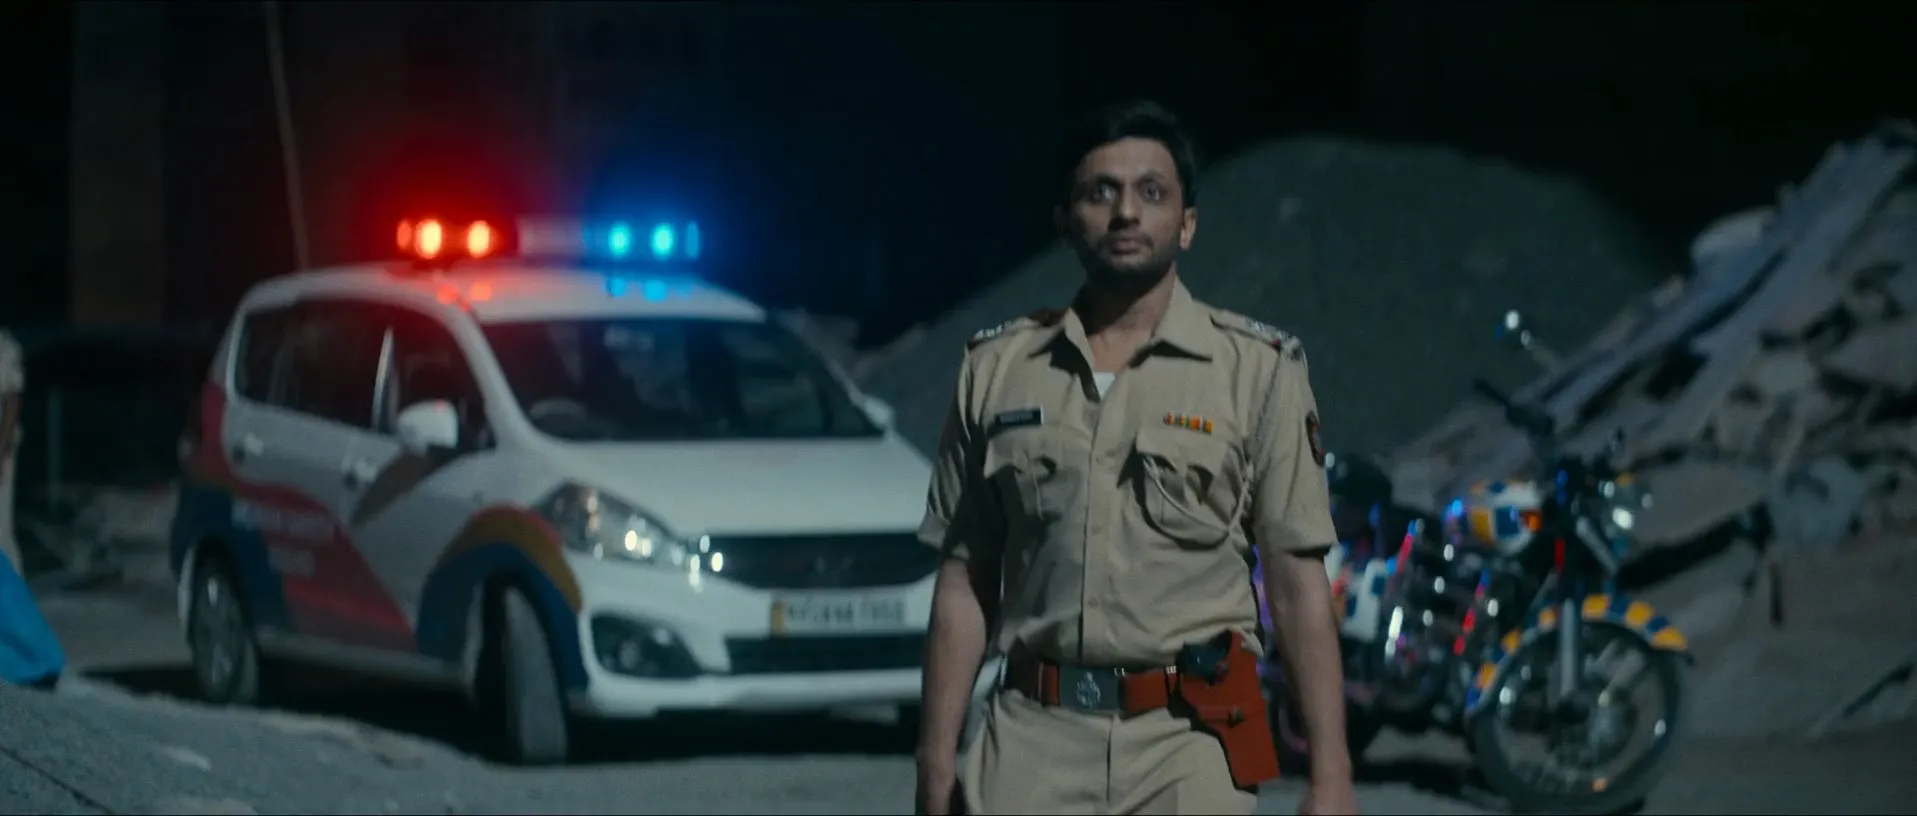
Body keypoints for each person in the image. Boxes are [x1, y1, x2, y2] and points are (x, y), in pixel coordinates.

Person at [913, 100, 1359, 816]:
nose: (1126, 212)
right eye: (1101, 192)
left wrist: (1331, 775)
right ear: (1064, 222)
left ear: (1186, 224)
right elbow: (966, 578)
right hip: (1031, 741)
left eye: (1151, 192)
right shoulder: (997, 371)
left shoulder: (1259, 372)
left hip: (1189, 744)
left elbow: (1296, 582)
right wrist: (934, 761)